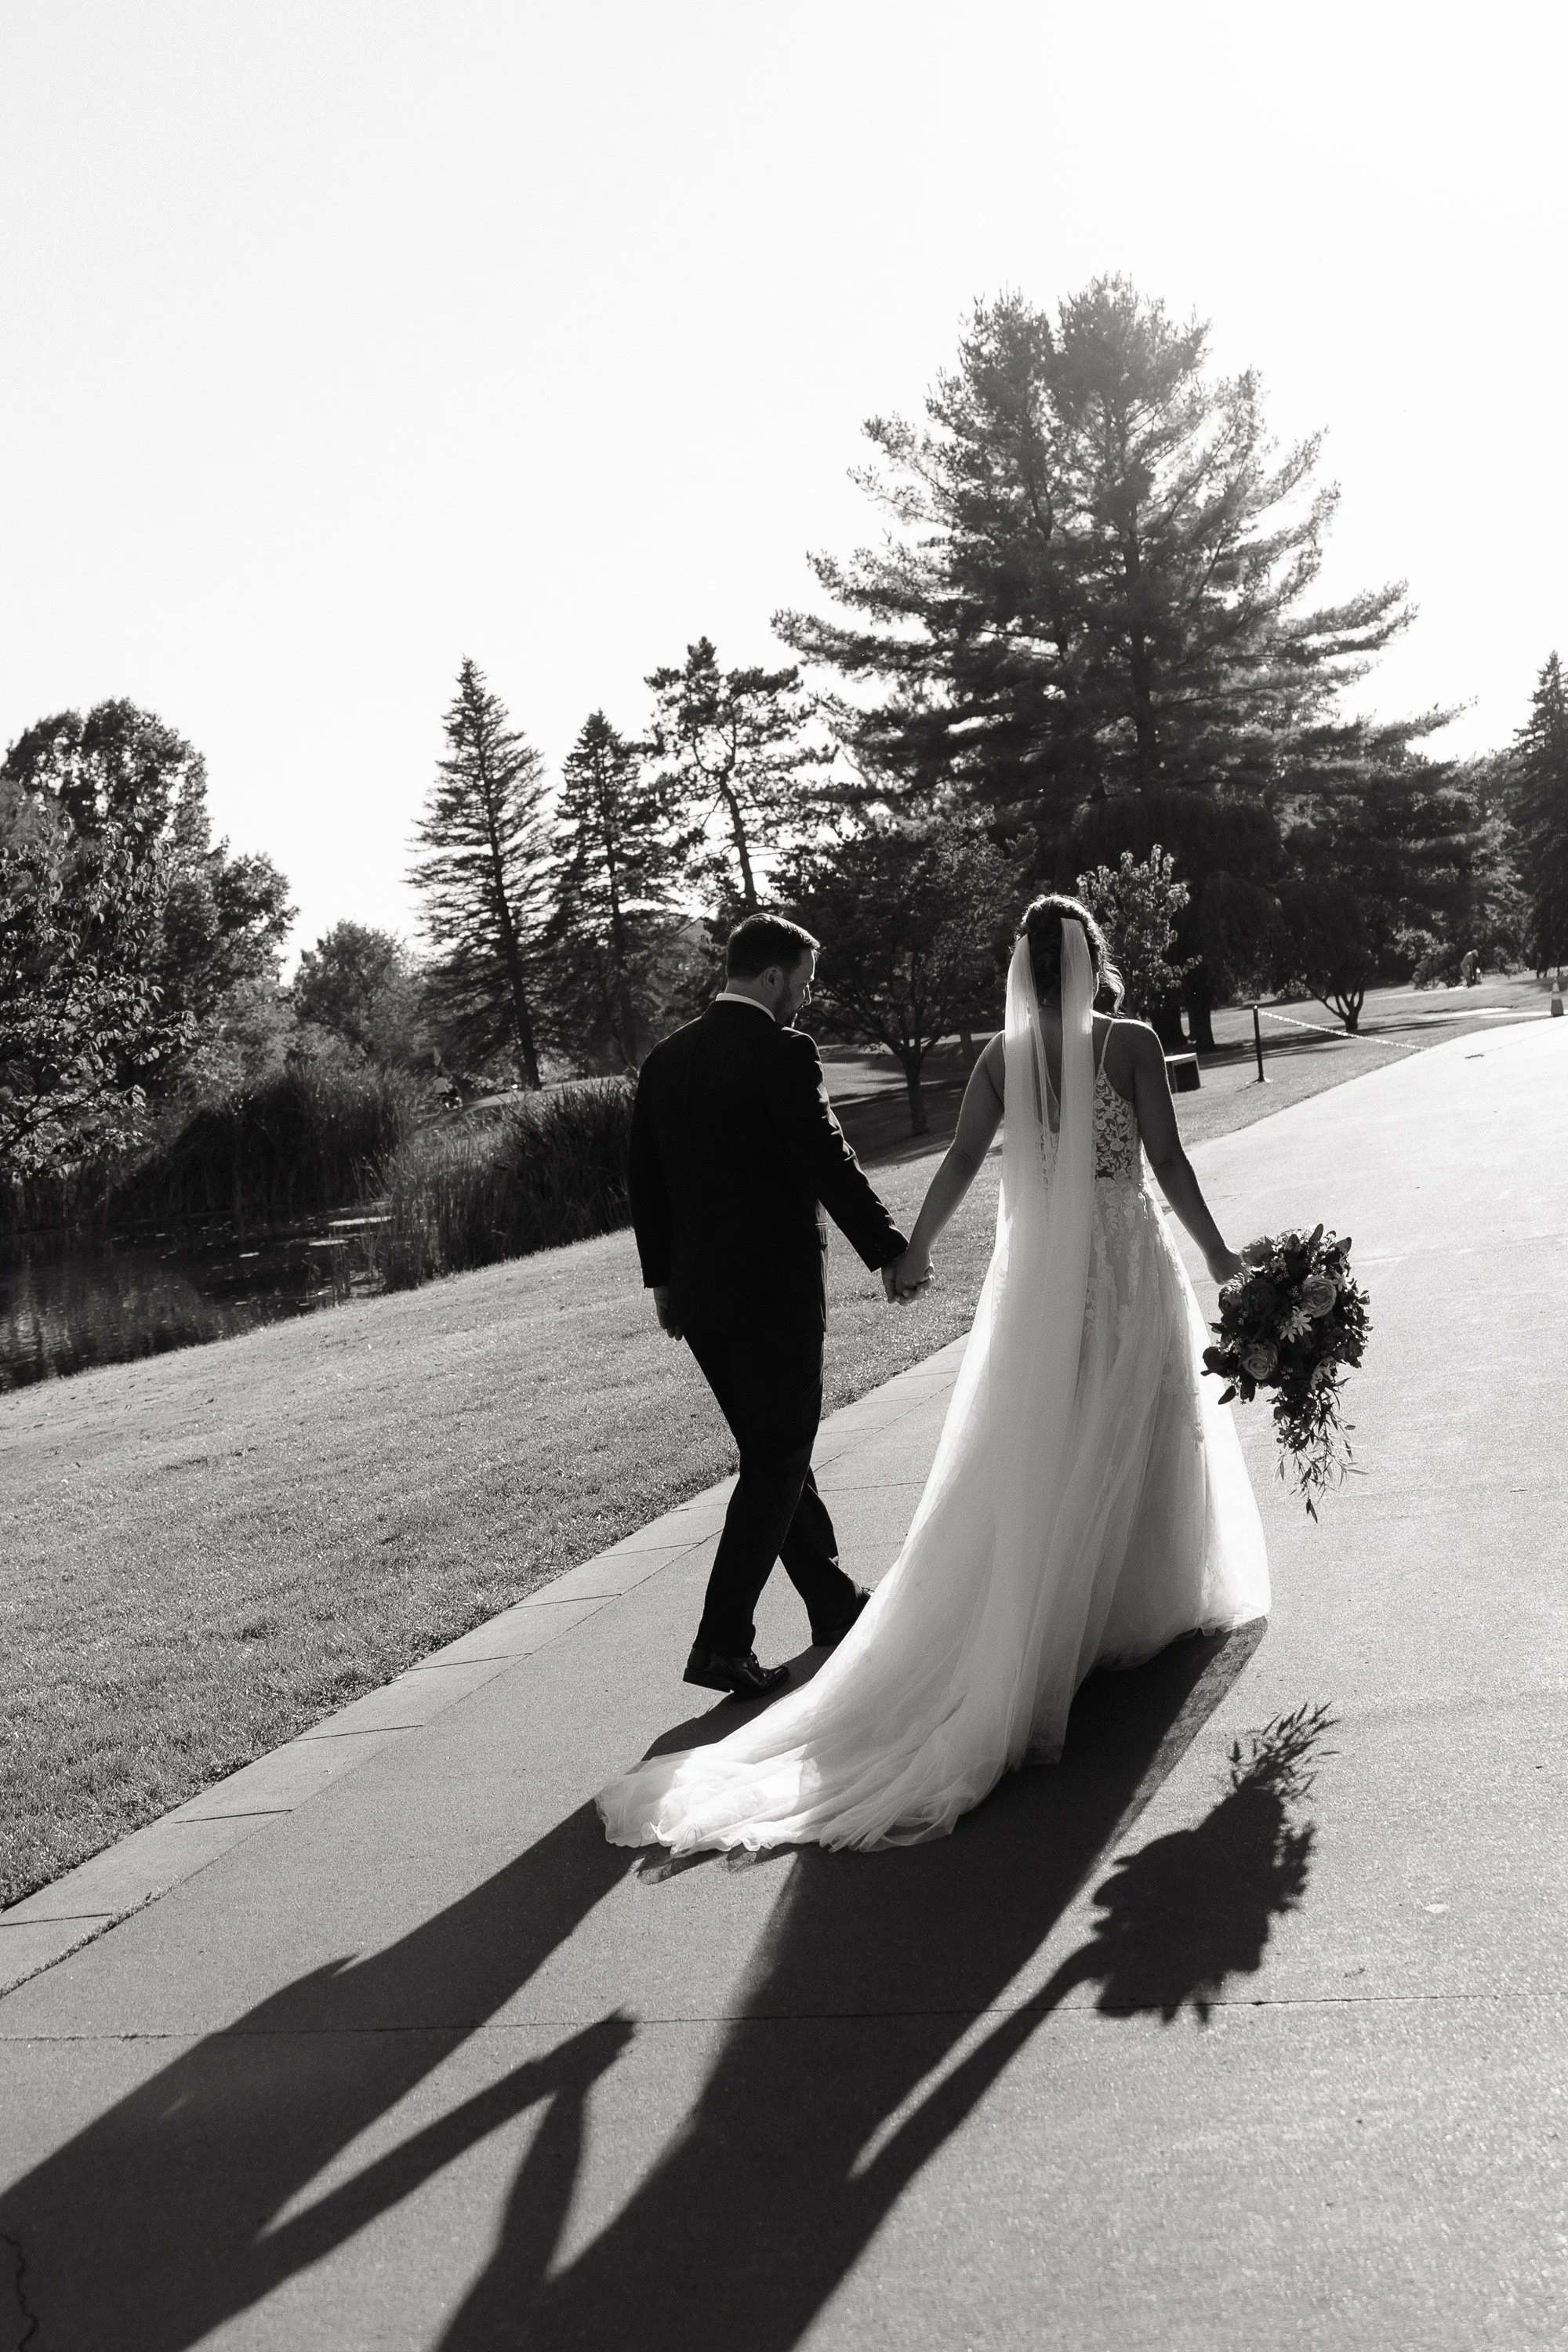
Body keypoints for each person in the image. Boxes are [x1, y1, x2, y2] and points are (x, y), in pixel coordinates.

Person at [599, 896, 1269, 1854]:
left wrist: (909, 1248)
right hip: (1116, 1258)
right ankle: (1114, 1597)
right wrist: (1214, 1257)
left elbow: (957, 1157)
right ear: (1090, 959)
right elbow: (1161, 1158)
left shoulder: (997, 1058)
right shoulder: (1127, 1041)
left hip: (1020, 1277)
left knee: (1032, 1429)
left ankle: (916, 1600)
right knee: (1128, 1414)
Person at [626, 911, 913, 1700]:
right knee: (776, 1459)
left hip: (699, 1301)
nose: (806, 1002)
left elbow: (643, 1183)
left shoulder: (666, 1059)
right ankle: (721, 1641)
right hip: (773, 1297)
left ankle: (830, 1601)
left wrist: (663, 1286)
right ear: (771, 976)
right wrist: (888, 1250)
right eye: (804, 985)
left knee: (776, 1453)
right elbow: (825, 1157)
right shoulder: (781, 1052)